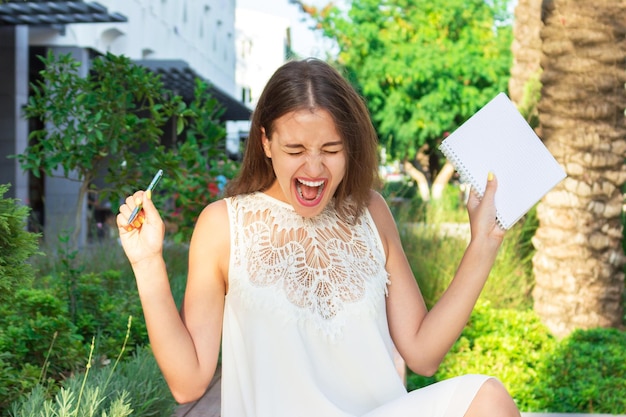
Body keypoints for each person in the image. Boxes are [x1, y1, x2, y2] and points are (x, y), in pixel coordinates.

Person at [117, 58, 521, 417]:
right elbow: (187, 384)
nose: (314, 167)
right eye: (295, 148)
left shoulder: (372, 212)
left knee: (488, 398)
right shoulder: (223, 225)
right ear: (266, 142)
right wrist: (146, 261)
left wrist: (484, 243)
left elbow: (424, 353)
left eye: (331, 148)